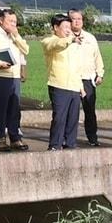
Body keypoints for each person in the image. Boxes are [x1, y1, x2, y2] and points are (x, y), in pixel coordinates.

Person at [0, 8, 30, 151]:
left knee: (14, 108)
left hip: (14, 77)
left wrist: (16, 36)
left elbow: (26, 50)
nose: (13, 24)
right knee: (1, 109)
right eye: (10, 21)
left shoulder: (14, 34)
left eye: (15, 21)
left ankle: (15, 137)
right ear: (1, 20)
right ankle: (0, 138)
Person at [42, 14, 83, 151]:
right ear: (55, 27)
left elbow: (77, 66)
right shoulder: (49, 41)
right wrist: (70, 39)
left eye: (69, 27)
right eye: (65, 27)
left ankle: (70, 145)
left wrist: (80, 86)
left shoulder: (73, 44)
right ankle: (55, 146)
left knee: (73, 120)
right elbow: (57, 44)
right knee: (59, 118)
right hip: (58, 85)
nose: (68, 29)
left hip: (74, 87)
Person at [69, 8, 105, 147]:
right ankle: (69, 138)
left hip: (88, 79)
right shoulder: (66, 38)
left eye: (79, 19)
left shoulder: (90, 38)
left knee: (89, 110)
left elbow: (97, 57)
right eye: (74, 19)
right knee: (72, 111)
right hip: (71, 79)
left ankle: (92, 137)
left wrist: (99, 73)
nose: (77, 21)